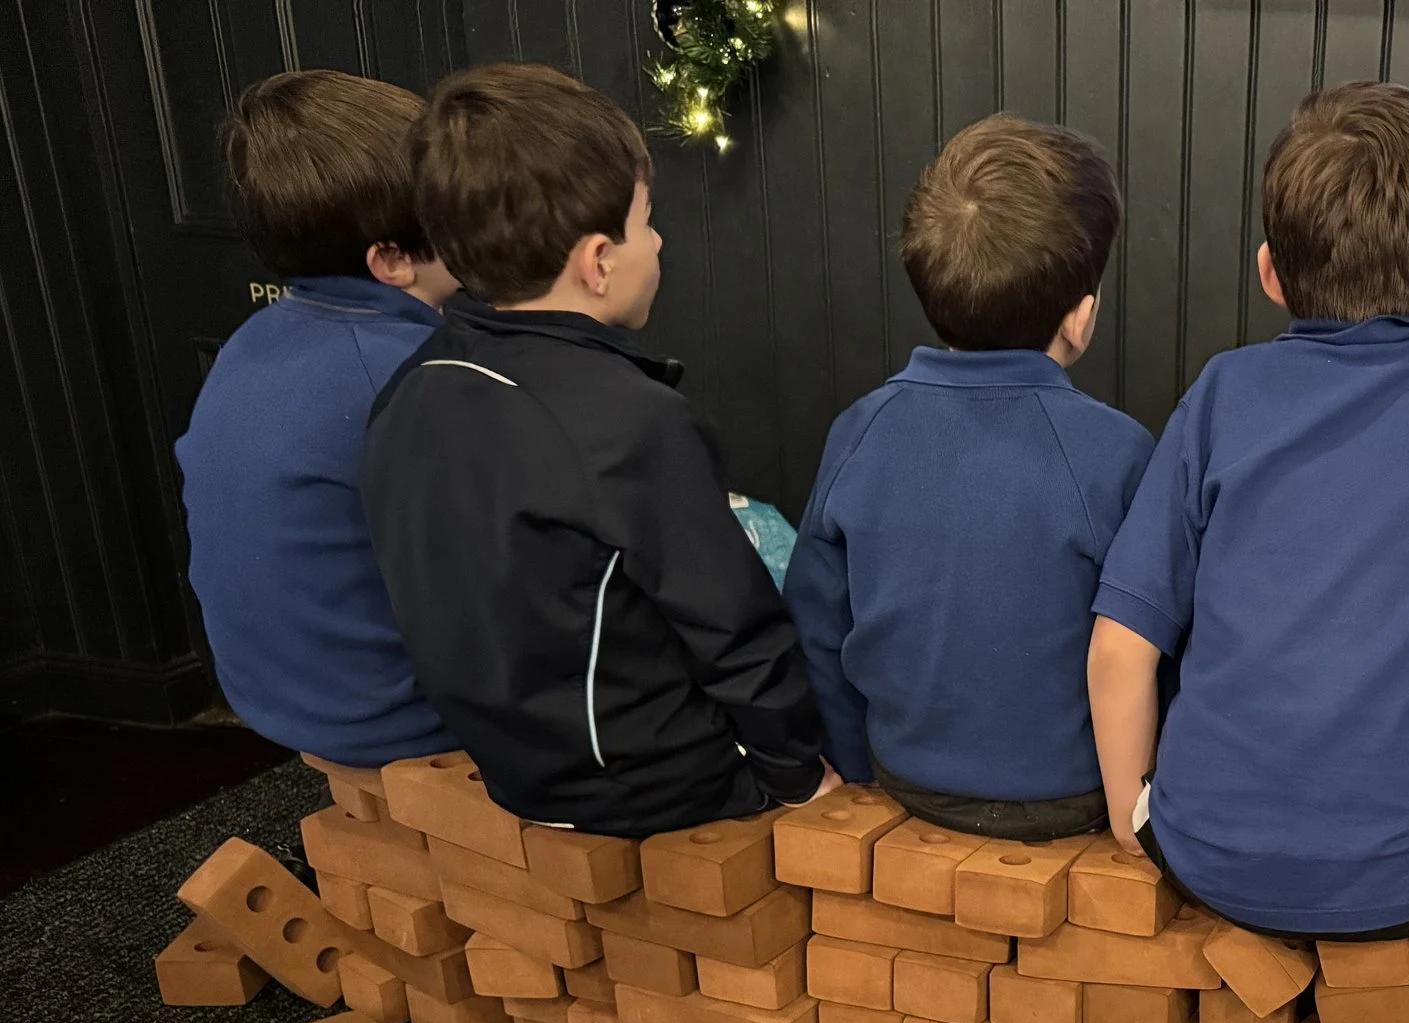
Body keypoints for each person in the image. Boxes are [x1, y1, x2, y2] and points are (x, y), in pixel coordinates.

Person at [1087, 82, 1409, 941]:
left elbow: (1120, 647)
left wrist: (1130, 816)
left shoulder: (1221, 393)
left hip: (1201, 852)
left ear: (1269, 273)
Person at [362, 63, 826, 835]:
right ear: (598, 261)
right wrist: (799, 775)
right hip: (644, 785)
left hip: (509, 759)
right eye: (646, 221)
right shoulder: (632, 423)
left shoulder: (411, 386)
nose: (658, 240)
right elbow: (735, 631)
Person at [785, 115, 1151, 840]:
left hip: (906, 776)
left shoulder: (860, 430)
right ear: (1081, 319)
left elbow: (814, 622)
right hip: (1074, 791)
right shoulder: (1120, 453)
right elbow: (1153, 648)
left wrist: (858, 766)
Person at [176, 71, 459, 768]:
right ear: (390, 259)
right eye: (461, 207)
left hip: (268, 693)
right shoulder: (413, 375)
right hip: (397, 718)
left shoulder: (253, 340)